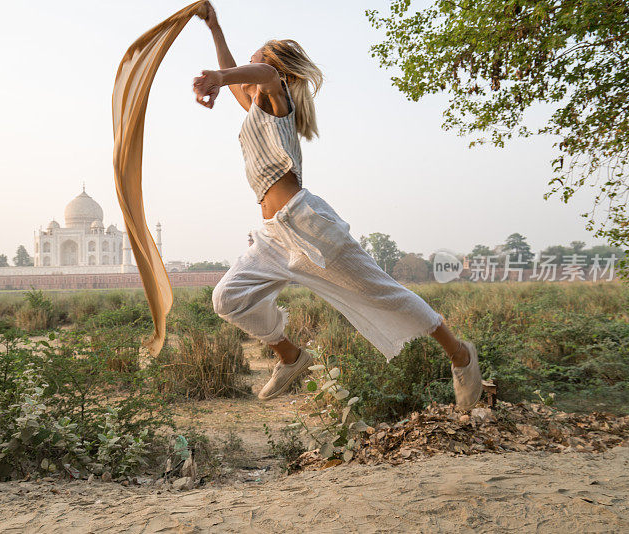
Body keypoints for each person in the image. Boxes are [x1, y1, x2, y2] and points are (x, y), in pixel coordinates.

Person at [192, 3, 482, 409]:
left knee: (384, 294)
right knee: (228, 298)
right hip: (273, 236)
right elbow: (241, 75)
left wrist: (221, 76)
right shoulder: (254, 107)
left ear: (273, 69)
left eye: (254, 57)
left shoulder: (278, 101)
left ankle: (460, 355)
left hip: (307, 225)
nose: (248, 62)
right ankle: (290, 356)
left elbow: (264, 75)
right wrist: (214, 27)